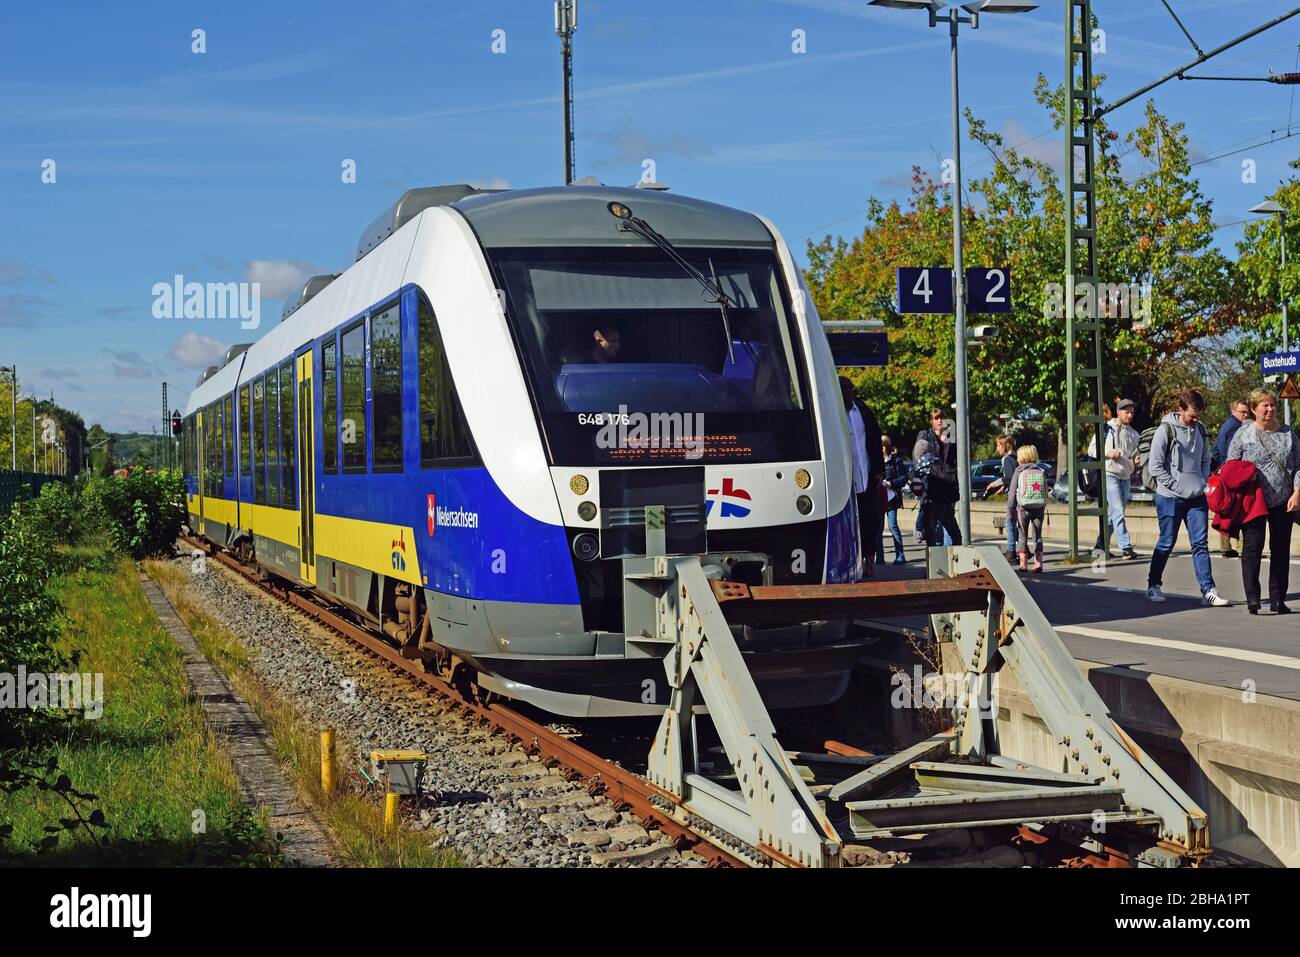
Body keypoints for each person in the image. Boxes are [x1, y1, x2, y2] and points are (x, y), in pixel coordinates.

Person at [1147, 388, 1229, 606]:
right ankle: (1153, 585)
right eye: (1192, 415)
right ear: (1180, 409)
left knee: (1200, 544)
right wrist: (1176, 486)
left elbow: (1205, 458)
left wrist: (1202, 482)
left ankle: (1208, 590)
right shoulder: (1165, 430)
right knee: (1166, 542)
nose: (1195, 420)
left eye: (1198, 416)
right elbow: (1155, 466)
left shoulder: (1200, 430)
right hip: (1169, 497)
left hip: (1196, 497)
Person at [1226, 389, 1300, 614]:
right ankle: (1253, 598)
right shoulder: (1243, 434)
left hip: (1283, 500)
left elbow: (1298, 466)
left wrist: (1297, 493)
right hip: (1253, 501)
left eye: (1272, 405)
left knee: (1280, 550)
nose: (1270, 409)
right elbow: (1231, 465)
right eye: (1264, 406)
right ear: (1253, 409)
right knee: (1252, 548)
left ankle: (1278, 599)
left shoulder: (1288, 434)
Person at [840, 377, 885, 578]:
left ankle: (869, 560)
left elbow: (875, 440)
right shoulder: (833, 413)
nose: (846, 393)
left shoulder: (863, 411)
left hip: (866, 477)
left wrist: (879, 471)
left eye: (849, 389)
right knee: (849, 526)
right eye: (842, 389)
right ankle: (850, 561)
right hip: (846, 482)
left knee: (871, 522)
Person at [1089, 398, 1142, 560]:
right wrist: (1108, 453)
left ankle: (1100, 546)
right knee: (1118, 511)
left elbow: (1134, 454)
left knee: (1114, 514)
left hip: (1125, 476)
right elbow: (1091, 450)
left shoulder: (1134, 434)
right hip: (1109, 474)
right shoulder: (1106, 429)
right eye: (1127, 412)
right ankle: (1126, 547)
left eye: (1132, 412)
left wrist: (1136, 462)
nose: (1130, 415)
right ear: (1118, 412)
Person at [1214, 398, 1252, 558]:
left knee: (1228, 509)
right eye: (1242, 412)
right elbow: (1233, 455)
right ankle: (1243, 547)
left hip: (1224, 472)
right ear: (1233, 411)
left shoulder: (1228, 426)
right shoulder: (1235, 428)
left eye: (1247, 412)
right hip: (1233, 475)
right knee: (1241, 510)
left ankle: (1226, 546)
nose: (1245, 415)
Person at [912, 409, 955, 546]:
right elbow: (918, 456)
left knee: (949, 524)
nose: (940, 420)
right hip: (932, 482)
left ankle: (949, 555)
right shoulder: (926, 436)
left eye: (942, 417)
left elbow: (955, 459)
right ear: (932, 421)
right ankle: (935, 555)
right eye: (936, 418)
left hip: (948, 483)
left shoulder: (951, 437)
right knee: (933, 524)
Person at [1006, 444, 1048, 572]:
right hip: (1039, 507)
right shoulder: (1040, 471)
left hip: (1023, 509)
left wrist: (1010, 512)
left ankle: (1023, 564)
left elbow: (1012, 493)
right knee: (1038, 536)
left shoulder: (1019, 471)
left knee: (1022, 534)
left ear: (1022, 457)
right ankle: (1038, 563)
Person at [880, 435, 908, 564]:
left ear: (887, 447)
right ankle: (879, 558)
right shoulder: (876, 461)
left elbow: (904, 478)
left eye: (883, 446)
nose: (881, 449)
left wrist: (891, 483)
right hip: (879, 498)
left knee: (892, 526)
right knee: (878, 528)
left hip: (892, 498)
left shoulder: (896, 461)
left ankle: (900, 556)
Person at [996, 435, 1018, 561]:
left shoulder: (1006, 459)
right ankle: (1023, 548)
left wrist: (996, 483)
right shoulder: (1016, 457)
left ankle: (1011, 551)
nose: (997, 448)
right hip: (1020, 493)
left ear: (1005, 446)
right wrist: (1003, 488)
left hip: (1013, 494)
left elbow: (1008, 478)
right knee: (1018, 523)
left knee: (1010, 522)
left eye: (999, 445)